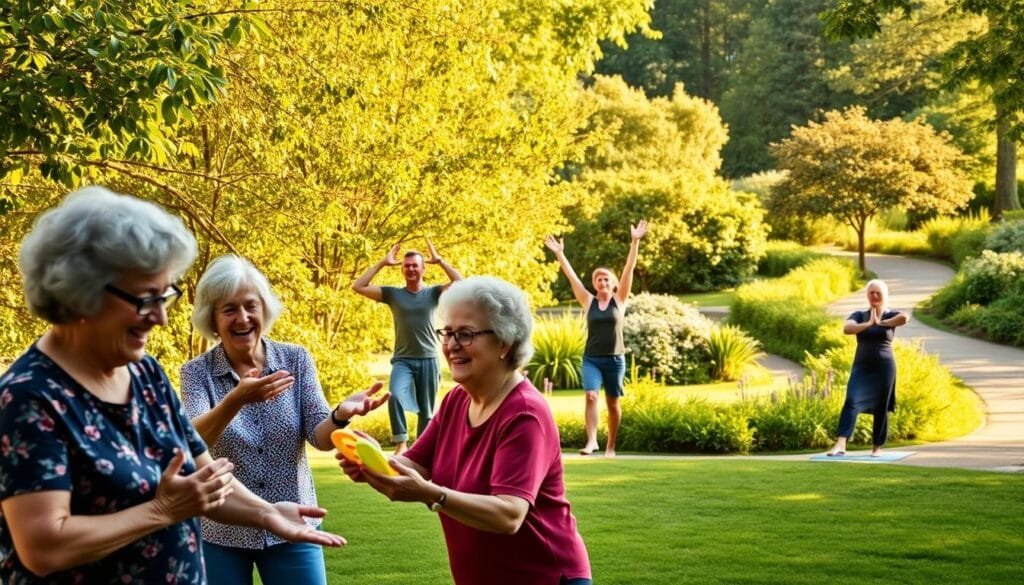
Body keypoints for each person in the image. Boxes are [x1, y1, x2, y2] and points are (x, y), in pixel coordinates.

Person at [0, 187, 343, 584]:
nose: (160, 317)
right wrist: (162, 511)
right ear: (82, 291)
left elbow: (203, 477)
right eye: (146, 298)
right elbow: (44, 546)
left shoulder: (144, 373)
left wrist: (265, 513)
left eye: (165, 295)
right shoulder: (28, 397)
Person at [339, 276, 592, 585]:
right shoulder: (457, 400)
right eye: (447, 333)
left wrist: (430, 494)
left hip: (545, 577)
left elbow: (509, 515)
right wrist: (370, 462)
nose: (451, 345)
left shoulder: (525, 414)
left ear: (504, 343)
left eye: (466, 334)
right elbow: (414, 465)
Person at [180, 255, 390, 585]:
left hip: (294, 522)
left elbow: (319, 437)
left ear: (264, 309)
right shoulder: (196, 373)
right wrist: (235, 401)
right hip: (221, 530)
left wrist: (339, 415)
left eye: (251, 306)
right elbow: (191, 443)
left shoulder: (295, 358)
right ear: (213, 318)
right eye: (229, 309)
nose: (243, 318)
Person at [544, 220, 648, 457]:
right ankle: (592, 441)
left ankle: (610, 446)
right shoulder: (588, 301)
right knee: (591, 396)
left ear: (613, 284)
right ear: (595, 284)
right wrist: (560, 254)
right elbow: (572, 278)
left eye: (606, 279)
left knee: (613, 404)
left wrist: (635, 241)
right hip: (592, 359)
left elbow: (629, 268)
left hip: (615, 360)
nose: (602, 282)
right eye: (598, 279)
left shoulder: (619, 300)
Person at [352, 240, 462, 455]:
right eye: (406, 265)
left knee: (426, 411)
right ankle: (401, 443)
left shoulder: (434, 293)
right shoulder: (394, 294)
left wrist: (440, 261)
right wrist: (383, 263)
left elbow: (460, 282)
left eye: (415, 265)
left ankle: (420, 451)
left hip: (429, 358)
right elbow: (358, 286)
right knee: (394, 394)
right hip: (403, 359)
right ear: (402, 270)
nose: (410, 268)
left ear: (423, 268)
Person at [827, 279, 909, 457]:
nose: (874, 296)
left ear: (884, 296)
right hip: (862, 367)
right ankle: (841, 444)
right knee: (851, 401)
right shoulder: (859, 315)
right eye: (871, 292)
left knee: (881, 406)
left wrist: (881, 323)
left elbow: (904, 317)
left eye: (878, 292)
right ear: (867, 295)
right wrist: (867, 324)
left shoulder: (890, 315)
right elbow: (847, 328)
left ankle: (876, 448)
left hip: (884, 367)